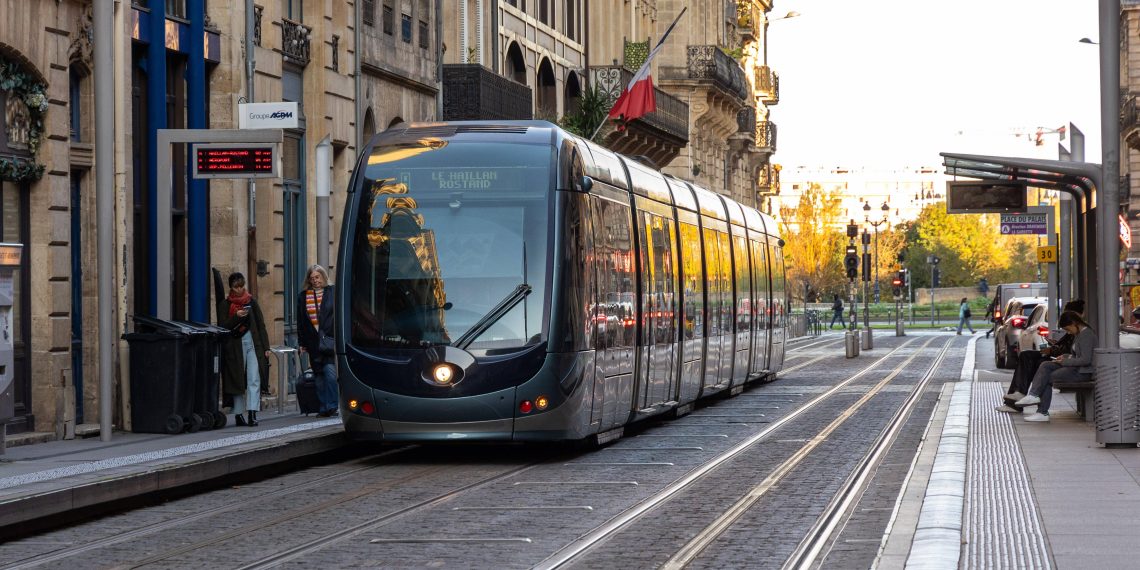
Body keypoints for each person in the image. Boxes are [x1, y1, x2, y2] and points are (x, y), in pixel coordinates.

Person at [997, 299, 1085, 414]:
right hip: (1059, 356)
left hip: (1063, 360)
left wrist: (1052, 350)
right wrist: (1054, 345)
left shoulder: (1079, 330)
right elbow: (1065, 347)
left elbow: (1070, 351)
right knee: (1026, 355)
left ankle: (1021, 399)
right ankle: (1018, 394)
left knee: (1039, 364)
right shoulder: (1074, 328)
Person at [1014, 310, 1098, 422]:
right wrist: (1065, 356)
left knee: (1046, 378)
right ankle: (1033, 395)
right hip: (1076, 368)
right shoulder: (1079, 333)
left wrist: (1064, 362)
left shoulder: (1086, 335)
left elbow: (1086, 360)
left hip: (1083, 372)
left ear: (1074, 323)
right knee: (1045, 365)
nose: (1068, 332)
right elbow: (1077, 356)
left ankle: (1042, 412)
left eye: (1068, 329)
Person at [219, 272, 270, 427]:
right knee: (237, 380)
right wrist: (237, 316)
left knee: (254, 378)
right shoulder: (225, 305)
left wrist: (266, 347)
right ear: (231, 287)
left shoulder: (251, 302)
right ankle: (239, 414)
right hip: (234, 346)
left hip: (254, 345)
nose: (240, 290)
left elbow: (261, 325)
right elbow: (223, 326)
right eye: (236, 287)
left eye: (242, 286)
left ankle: (253, 413)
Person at [297, 264, 339, 417]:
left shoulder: (332, 292)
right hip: (312, 341)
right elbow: (301, 321)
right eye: (312, 278)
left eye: (318, 277)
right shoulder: (303, 296)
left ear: (323, 277)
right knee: (319, 375)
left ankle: (332, 405)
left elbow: (338, 316)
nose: (315, 280)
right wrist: (301, 343)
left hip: (329, 339)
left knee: (330, 372)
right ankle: (323, 407)